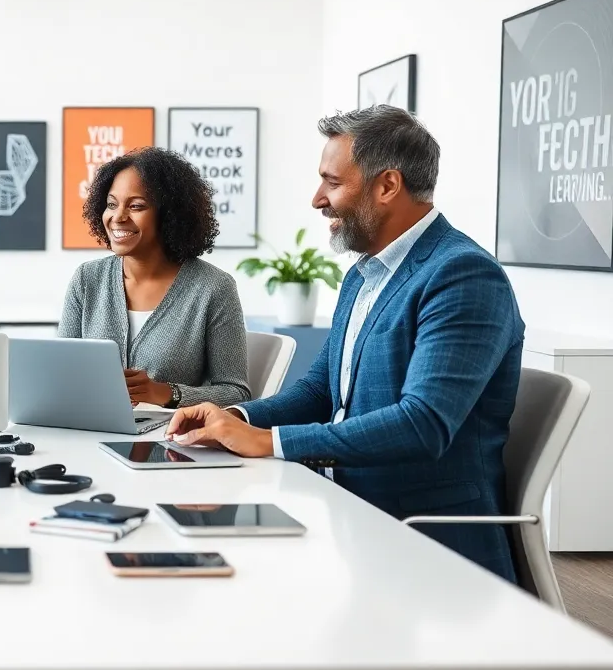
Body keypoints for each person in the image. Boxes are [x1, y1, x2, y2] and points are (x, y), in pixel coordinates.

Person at [166, 105, 523, 583]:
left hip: (426, 545)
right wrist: (234, 419)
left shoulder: (462, 274)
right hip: (345, 517)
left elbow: (423, 424)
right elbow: (319, 390)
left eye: (332, 182)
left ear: (387, 185)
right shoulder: (362, 275)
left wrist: (269, 442)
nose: (318, 199)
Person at [58, 146, 251, 409]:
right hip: (89, 427)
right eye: (112, 204)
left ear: (169, 215)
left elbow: (237, 393)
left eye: (136, 206)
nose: (118, 217)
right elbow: (61, 373)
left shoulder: (214, 288)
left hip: (170, 433)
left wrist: (166, 393)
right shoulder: (87, 279)